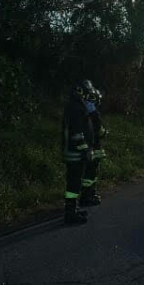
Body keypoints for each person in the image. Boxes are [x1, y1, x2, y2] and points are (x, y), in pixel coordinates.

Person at [62, 80, 96, 225]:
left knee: (74, 184)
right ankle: (70, 214)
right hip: (76, 154)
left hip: (75, 153)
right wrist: (85, 150)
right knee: (73, 185)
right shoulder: (76, 108)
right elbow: (77, 133)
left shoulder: (76, 106)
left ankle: (73, 209)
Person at [80, 87, 108, 207]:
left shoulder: (81, 111)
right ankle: (88, 196)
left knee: (88, 173)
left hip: (85, 148)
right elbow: (99, 131)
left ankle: (88, 194)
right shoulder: (94, 114)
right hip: (94, 149)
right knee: (91, 174)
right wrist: (105, 132)